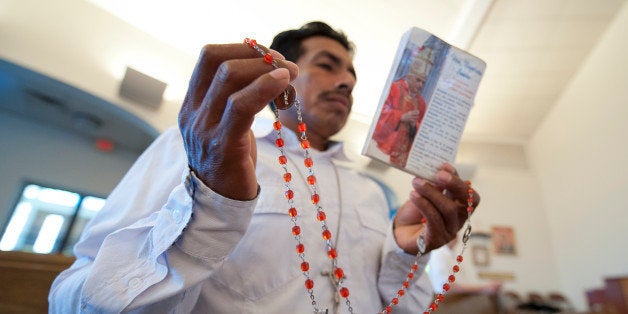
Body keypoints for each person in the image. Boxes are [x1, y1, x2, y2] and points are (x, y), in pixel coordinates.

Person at [49, 21, 479, 313]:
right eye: (327, 67)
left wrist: (409, 256)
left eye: (351, 75)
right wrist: (211, 206)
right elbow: (73, 302)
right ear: (284, 76)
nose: (347, 82)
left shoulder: (369, 193)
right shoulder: (203, 146)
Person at [373, 60, 427, 168]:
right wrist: (401, 117)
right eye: (418, 80)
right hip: (383, 148)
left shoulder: (421, 102)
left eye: (423, 82)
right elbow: (381, 111)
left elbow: (424, 127)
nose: (420, 85)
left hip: (404, 153)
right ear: (409, 77)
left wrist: (414, 125)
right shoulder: (394, 88)